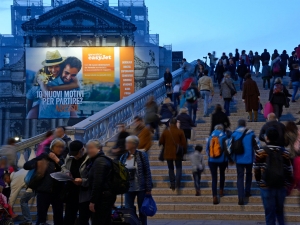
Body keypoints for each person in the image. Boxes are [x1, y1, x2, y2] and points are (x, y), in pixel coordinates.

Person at [254, 128, 293, 225]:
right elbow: (289, 170)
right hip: (281, 186)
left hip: (266, 186)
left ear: (266, 138)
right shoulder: (285, 153)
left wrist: (260, 182)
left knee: (269, 214)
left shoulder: (260, 152)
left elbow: (257, 169)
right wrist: (287, 184)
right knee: (280, 213)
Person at [23, 138, 65, 225]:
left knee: (59, 218)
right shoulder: (44, 156)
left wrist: (57, 160)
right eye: (58, 147)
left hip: (58, 193)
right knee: (41, 218)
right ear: (52, 147)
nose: (60, 149)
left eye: (62, 147)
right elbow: (26, 165)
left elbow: (66, 172)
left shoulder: (62, 159)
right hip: (43, 191)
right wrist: (37, 164)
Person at [120, 136, 152, 225]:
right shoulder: (123, 157)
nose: (126, 144)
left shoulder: (142, 155)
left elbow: (147, 172)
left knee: (142, 210)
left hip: (141, 187)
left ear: (134, 144)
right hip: (128, 188)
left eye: (128, 142)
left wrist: (148, 188)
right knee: (128, 209)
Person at [229, 119, 259, 205]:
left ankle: (240, 197)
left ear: (238, 125)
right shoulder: (251, 134)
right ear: (245, 125)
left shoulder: (234, 134)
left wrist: (231, 158)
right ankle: (247, 191)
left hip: (239, 159)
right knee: (249, 174)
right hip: (249, 159)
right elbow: (257, 145)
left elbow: (229, 146)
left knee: (240, 177)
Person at [86, 139, 116, 225]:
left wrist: (93, 201)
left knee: (98, 221)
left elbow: (98, 183)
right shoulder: (100, 160)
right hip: (105, 196)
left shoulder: (99, 161)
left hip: (102, 198)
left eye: (91, 148)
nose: (88, 151)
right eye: (88, 148)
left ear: (99, 148)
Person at [62, 140, 90, 225]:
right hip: (71, 192)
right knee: (68, 218)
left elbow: (93, 178)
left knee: (83, 219)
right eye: (73, 154)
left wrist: (82, 181)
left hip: (84, 194)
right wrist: (66, 172)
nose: (75, 156)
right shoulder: (70, 156)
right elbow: (64, 167)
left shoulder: (89, 158)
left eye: (76, 154)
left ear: (82, 149)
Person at [159, 118, 187, 191]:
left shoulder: (165, 132)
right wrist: (184, 152)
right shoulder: (180, 132)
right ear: (175, 124)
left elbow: (161, 141)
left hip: (168, 153)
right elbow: (184, 143)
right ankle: (178, 182)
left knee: (170, 168)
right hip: (178, 153)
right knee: (178, 167)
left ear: (169, 123)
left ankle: (172, 184)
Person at [206, 124, 228, 205]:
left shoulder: (210, 137)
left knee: (214, 178)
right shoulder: (224, 137)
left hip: (212, 160)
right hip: (222, 160)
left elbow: (207, 149)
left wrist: (210, 156)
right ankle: (221, 190)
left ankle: (214, 196)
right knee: (222, 174)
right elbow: (227, 149)